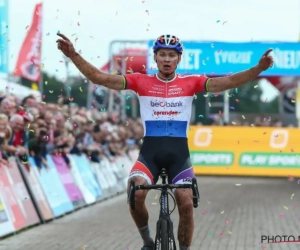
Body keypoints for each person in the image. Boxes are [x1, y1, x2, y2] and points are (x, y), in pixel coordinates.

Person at [56, 33, 273, 250]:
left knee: (186, 202)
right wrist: (73, 55)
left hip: (179, 157)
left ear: (179, 59)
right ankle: (147, 241)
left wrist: (258, 68)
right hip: (150, 154)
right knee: (135, 191)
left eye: (172, 55)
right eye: (162, 55)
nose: (167, 59)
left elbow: (229, 81)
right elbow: (99, 78)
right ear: (155, 57)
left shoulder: (192, 82)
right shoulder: (140, 80)